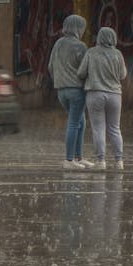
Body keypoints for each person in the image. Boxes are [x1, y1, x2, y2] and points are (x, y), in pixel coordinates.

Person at [77, 25, 127, 171]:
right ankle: (119, 161)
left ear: (99, 38)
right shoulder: (118, 54)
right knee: (115, 128)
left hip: (95, 93)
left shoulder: (91, 52)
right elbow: (123, 75)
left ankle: (101, 161)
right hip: (115, 95)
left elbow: (80, 73)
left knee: (98, 128)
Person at [48, 14, 94, 171]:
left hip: (61, 91)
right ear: (78, 28)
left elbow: (50, 66)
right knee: (75, 123)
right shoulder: (80, 46)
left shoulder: (58, 44)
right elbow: (85, 69)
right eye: (82, 27)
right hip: (76, 91)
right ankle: (69, 160)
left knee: (80, 122)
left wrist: (59, 80)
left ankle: (78, 157)